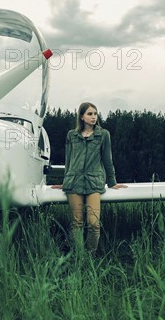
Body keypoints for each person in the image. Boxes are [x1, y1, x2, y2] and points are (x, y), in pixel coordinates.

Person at [52, 102, 127, 252]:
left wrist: (112, 182)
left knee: (93, 223)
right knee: (77, 222)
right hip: (74, 182)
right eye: (89, 114)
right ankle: (80, 258)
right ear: (82, 116)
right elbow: (69, 160)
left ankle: (91, 254)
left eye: (95, 114)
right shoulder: (71, 135)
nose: (93, 117)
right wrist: (65, 180)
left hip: (94, 182)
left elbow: (107, 159)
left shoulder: (103, 134)